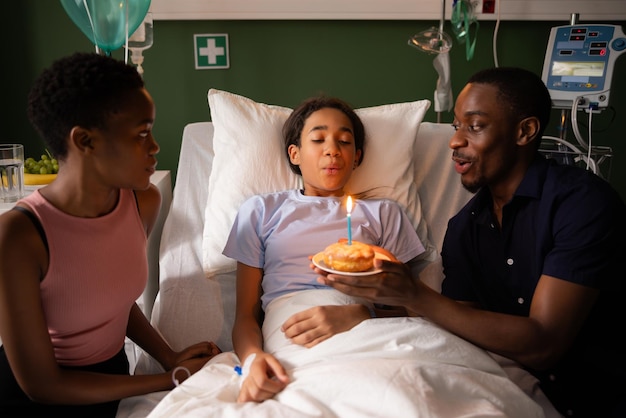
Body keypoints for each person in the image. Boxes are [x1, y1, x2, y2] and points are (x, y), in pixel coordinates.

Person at [316, 66, 626, 417]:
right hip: (512, 389)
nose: (454, 141)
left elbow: (545, 345)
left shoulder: (581, 204)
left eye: (474, 127)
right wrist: (371, 308)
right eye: (456, 127)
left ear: (525, 131)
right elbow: (460, 317)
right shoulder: (466, 226)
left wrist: (413, 293)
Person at [0, 52, 220, 417]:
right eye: (141, 134)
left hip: (112, 384)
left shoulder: (143, 203)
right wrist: (169, 377)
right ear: (85, 141)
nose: (155, 147)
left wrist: (168, 356)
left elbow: (112, 300)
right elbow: (42, 385)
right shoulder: (19, 236)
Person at [223, 96, 427, 403]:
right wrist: (252, 360)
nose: (332, 149)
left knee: (404, 389)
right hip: (294, 327)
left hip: (369, 327)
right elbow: (245, 316)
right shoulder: (261, 211)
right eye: (318, 139)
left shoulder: (385, 213)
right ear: (295, 154)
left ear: (357, 156)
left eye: (344, 141)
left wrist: (360, 313)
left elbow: (411, 305)